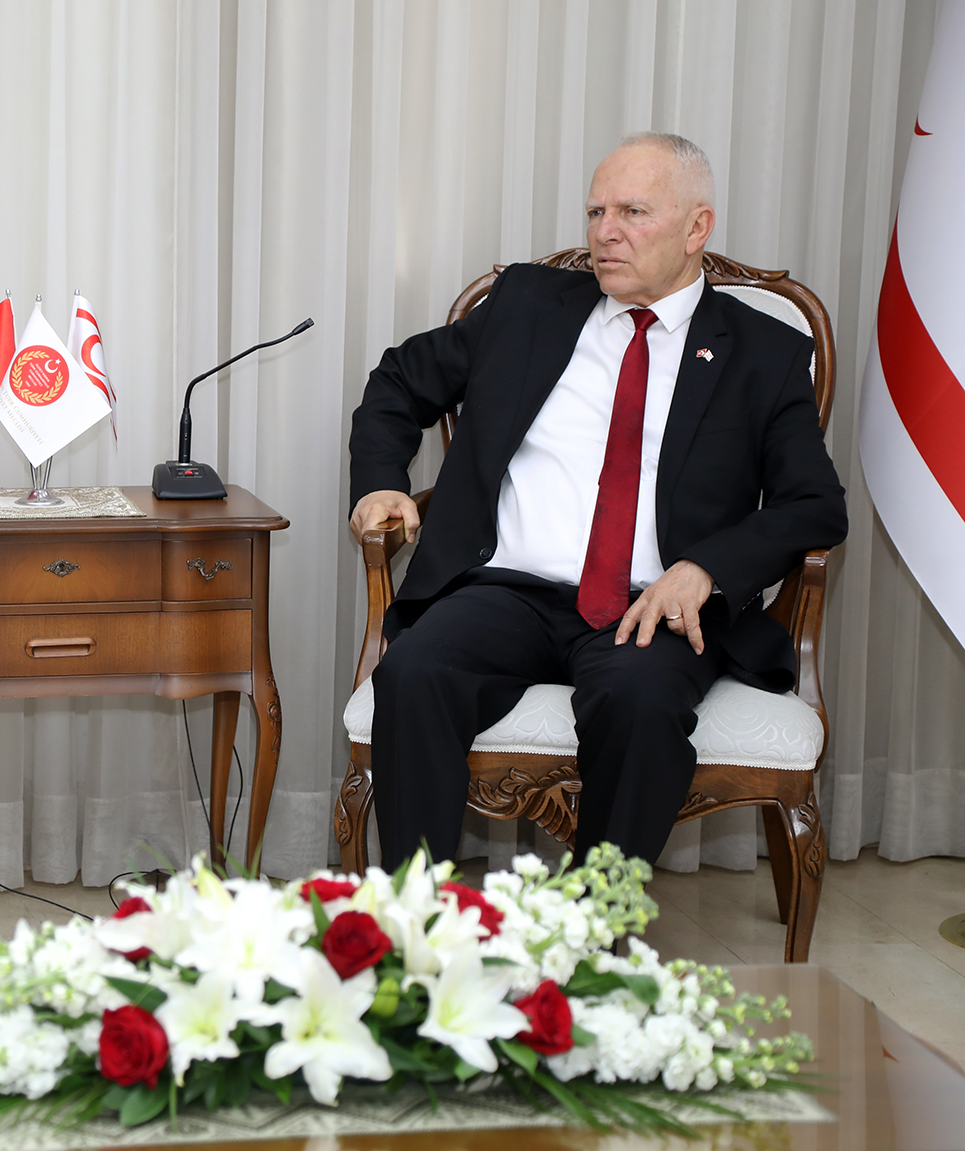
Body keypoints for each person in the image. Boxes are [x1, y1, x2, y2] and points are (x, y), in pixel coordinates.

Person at [348, 132, 847, 871]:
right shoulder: (528, 305)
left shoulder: (763, 353)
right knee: (414, 673)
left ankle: (595, 921)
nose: (605, 233)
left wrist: (707, 569)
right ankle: (416, 916)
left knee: (639, 703)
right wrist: (380, 481)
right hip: (504, 589)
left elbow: (815, 504)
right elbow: (399, 380)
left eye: (633, 212)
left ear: (697, 228)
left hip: (652, 606)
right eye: (595, 212)